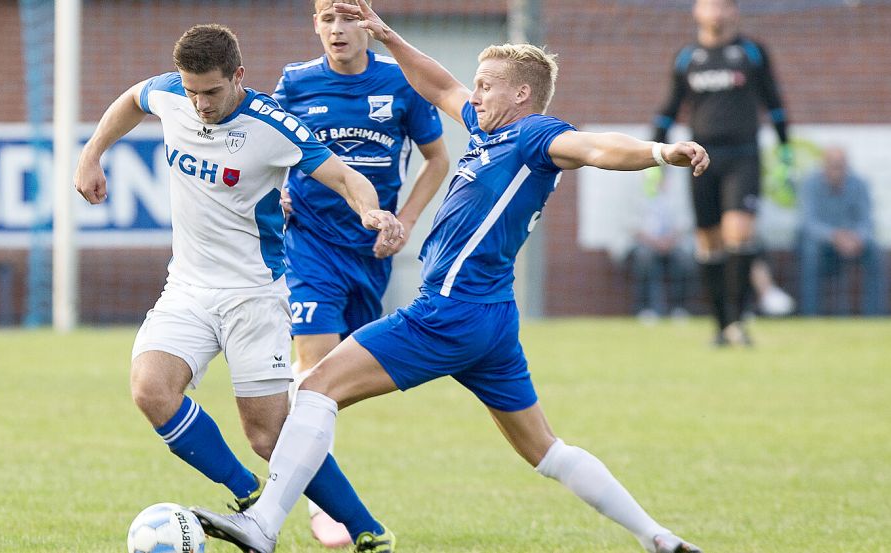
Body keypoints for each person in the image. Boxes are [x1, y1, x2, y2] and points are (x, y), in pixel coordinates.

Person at [192, 3, 708, 553]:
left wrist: (659, 151)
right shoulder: (487, 132)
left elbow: (596, 147)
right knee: (546, 451)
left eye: (486, 87)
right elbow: (439, 86)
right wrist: (388, 37)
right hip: (491, 319)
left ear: (522, 97)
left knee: (315, 387)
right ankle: (660, 538)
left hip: (449, 311)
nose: (475, 94)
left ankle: (264, 523)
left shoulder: (535, 136)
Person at [73, 23, 403, 551]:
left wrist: (373, 212)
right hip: (187, 287)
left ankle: (368, 530)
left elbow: (344, 177)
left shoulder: (274, 125)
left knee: (269, 438)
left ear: (238, 76)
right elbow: (132, 100)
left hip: (254, 297)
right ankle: (248, 495)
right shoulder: (172, 94)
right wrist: (91, 154)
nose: (199, 103)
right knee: (150, 390)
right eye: (191, 91)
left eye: (211, 91)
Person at [272, 0, 449, 545]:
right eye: (326, 18)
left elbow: (437, 158)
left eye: (348, 17)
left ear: (369, 24)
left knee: (331, 382)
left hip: (370, 253)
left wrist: (406, 219)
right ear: (315, 26)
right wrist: (275, 187)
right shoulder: (295, 83)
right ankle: (317, 499)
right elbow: (266, 143)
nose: (337, 29)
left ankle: (295, 453)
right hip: (309, 246)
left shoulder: (400, 85)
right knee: (314, 368)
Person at [651, 0, 790, 346]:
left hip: (743, 156)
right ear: (697, 11)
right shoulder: (686, 58)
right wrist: (654, 157)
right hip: (701, 159)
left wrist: (786, 151)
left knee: (739, 233)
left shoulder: (752, 53)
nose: (716, 11)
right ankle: (721, 324)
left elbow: (774, 104)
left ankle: (739, 321)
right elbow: (668, 110)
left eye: (724, 5)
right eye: (709, 4)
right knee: (708, 243)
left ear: (735, 12)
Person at [798, 147, 886, 316]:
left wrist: (856, 238)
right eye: (833, 165)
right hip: (822, 242)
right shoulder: (810, 184)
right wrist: (835, 236)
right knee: (810, 251)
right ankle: (810, 315)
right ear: (824, 166)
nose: (837, 171)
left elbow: (867, 221)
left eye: (841, 165)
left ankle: (874, 315)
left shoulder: (860, 184)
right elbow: (809, 223)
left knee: (874, 251)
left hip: (853, 241)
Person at [629, 174, 694, 322]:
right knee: (645, 258)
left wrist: (668, 240)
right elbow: (633, 227)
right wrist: (655, 242)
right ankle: (648, 309)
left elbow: (684, 224)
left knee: (684, 260)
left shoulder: (675, 199)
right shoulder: (638, 197)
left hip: (671, 244)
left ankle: (679, 308)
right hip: (646, 244)